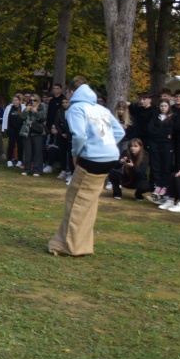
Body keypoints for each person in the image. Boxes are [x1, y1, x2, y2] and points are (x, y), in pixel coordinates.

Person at [48, 77, 125, 257]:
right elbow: (120, 131)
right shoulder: (101, 109)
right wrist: (106, 146)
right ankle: (82, 244)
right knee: (89, 201)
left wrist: (76, 153)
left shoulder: (75, 108)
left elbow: (80, 135)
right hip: (110, 157)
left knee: (76, 200)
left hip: (91, 158)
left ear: (72, 92)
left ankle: (70, 246)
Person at [147, 99, 176, 203]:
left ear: (168, 107)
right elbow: (150, 130)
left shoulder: (173, 117)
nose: (163, 108)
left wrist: (164, 133)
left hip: (167, 145)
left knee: (166, 165)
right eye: (161, 106)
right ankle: (157, 185)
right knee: (156, 165)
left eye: (165, 106)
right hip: (155, 144)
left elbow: (171, 131)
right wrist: (164, 134)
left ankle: (164, 186)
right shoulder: (155, 117)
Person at [20, 95, 48, 176]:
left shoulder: (41, 107)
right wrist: (26, 111)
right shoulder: (27, 107)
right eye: (31, 100)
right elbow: (22, 118)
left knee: (37, 151)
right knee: (27, 151)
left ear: (38, 100)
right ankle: (26, 169)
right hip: (27, 131)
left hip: (37, 132)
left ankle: (37, 170)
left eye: (34, 100)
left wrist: (36, 112)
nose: (32, 102)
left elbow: (43, 118)